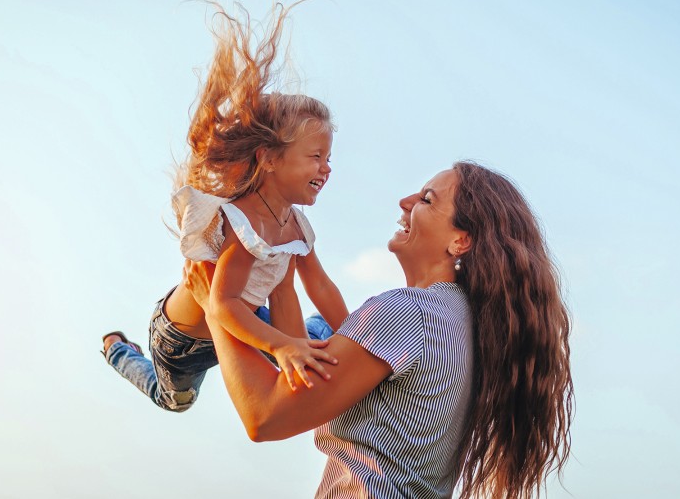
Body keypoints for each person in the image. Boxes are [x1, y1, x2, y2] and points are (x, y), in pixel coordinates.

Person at [184, 162, 574, 499]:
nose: (405, 202)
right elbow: (301, 381)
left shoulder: (406, 314)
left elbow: (265, 417)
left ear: (461, 241)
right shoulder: (464, 323)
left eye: (426, 200)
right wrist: (284, 282)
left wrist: (214, 305)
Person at [101, 2, 349, 413]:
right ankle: (118, 352)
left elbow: (314, 287)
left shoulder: (296, 227)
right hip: (186, 341)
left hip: (248, 326)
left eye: (328, 158)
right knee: (175, 402)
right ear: (269, 158)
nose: (326, 168)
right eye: (316, 156)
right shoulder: (242, 220)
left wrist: (354, 335)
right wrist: (281, 345)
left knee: (317, 345)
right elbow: (224, 304)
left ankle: (325, 338)